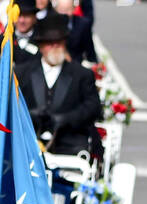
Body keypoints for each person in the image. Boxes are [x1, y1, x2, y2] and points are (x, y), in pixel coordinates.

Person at [19, 15, 103, 157]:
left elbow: (93, 107)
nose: (55, 46)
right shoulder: (22, 73)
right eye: (49, 43)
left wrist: (66, 118)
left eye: (59, 42)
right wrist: (31, 114)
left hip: (70, 144)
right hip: (28, 143)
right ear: (41, 46)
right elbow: (13, 104)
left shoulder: (82, 75)